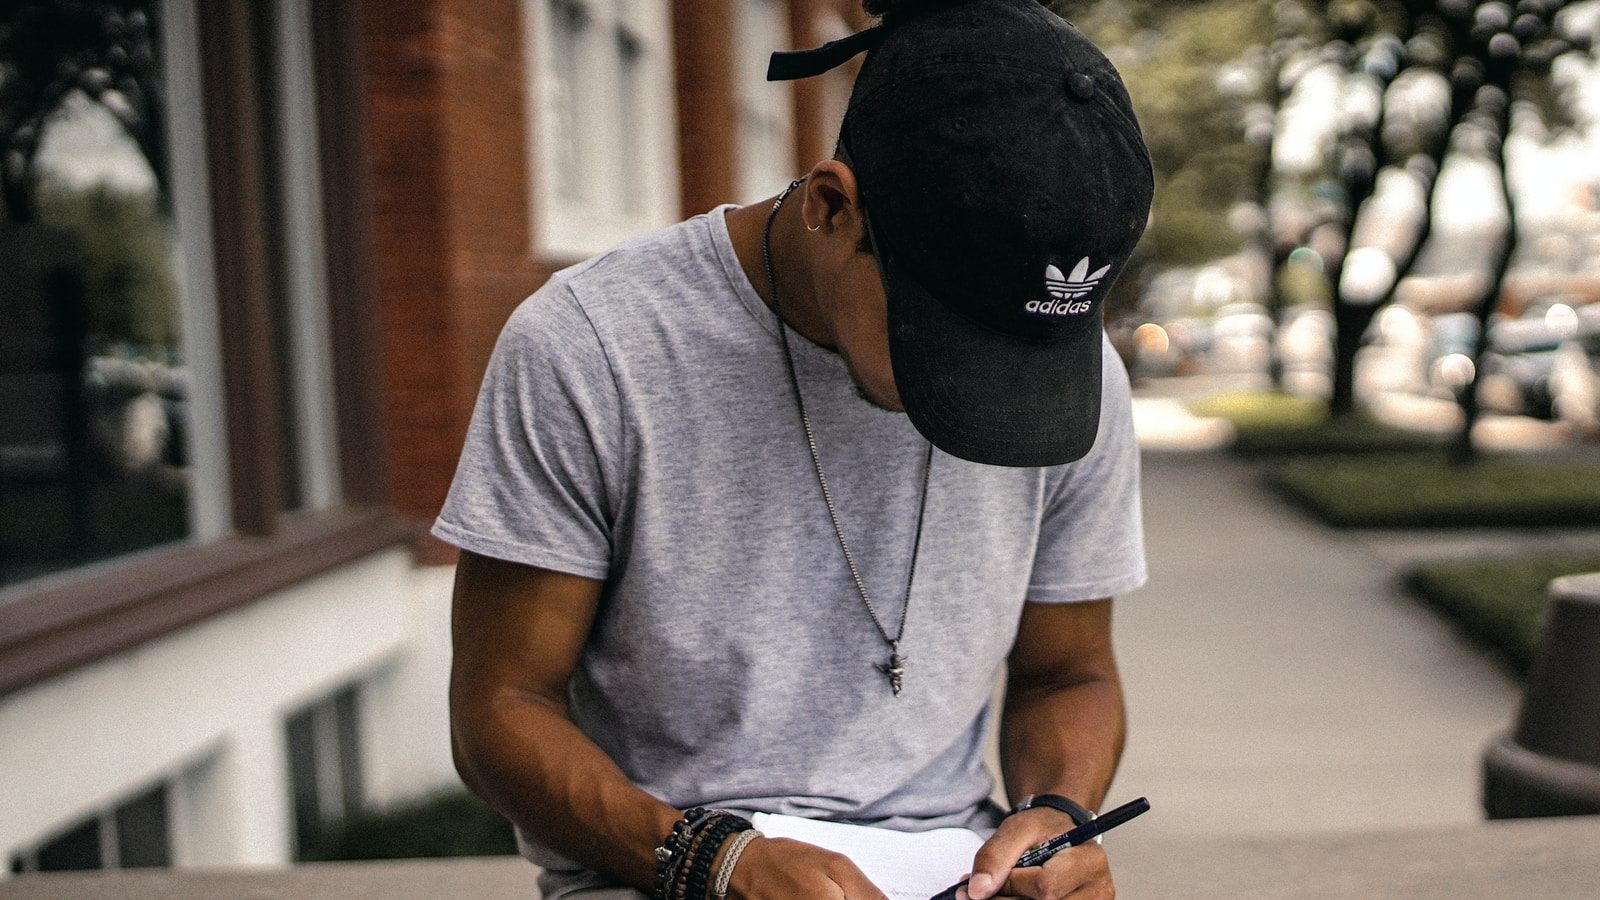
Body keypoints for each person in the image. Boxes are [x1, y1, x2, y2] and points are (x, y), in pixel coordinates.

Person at [434, 0, 1155, 897]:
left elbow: (1069, 671)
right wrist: (712, 860)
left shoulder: (1075, 382)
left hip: (949, 868)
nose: (984, 396)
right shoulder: (592, 347)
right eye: (947, 342)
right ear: (830, 207)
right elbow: (499, 711)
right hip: (662, 869)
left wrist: (1055, 816)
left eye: (1018, 353)